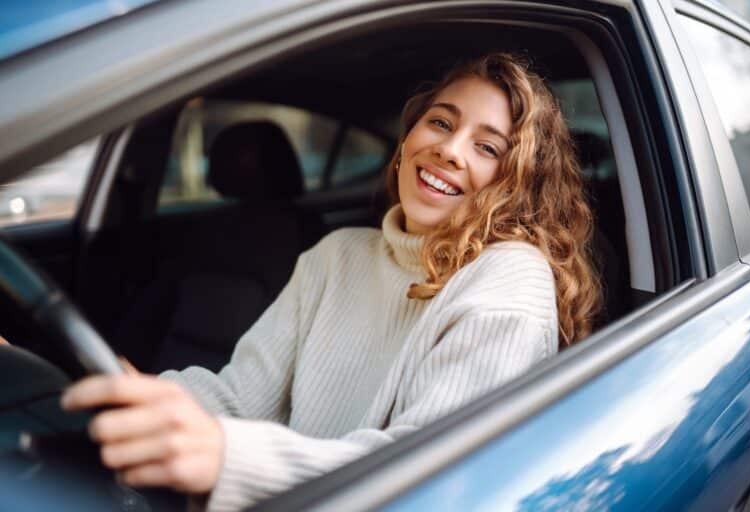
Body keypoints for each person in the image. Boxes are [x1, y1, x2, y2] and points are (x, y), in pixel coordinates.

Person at [60, 53, 602, 511]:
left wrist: (228, 456)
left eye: (487, 147)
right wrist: (112, 392)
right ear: (411, 133)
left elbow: (435, 483)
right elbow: (238, 399)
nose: (450, 150)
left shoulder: (510, 280)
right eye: (441, 121)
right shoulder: (337, 254)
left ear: (517, 183)